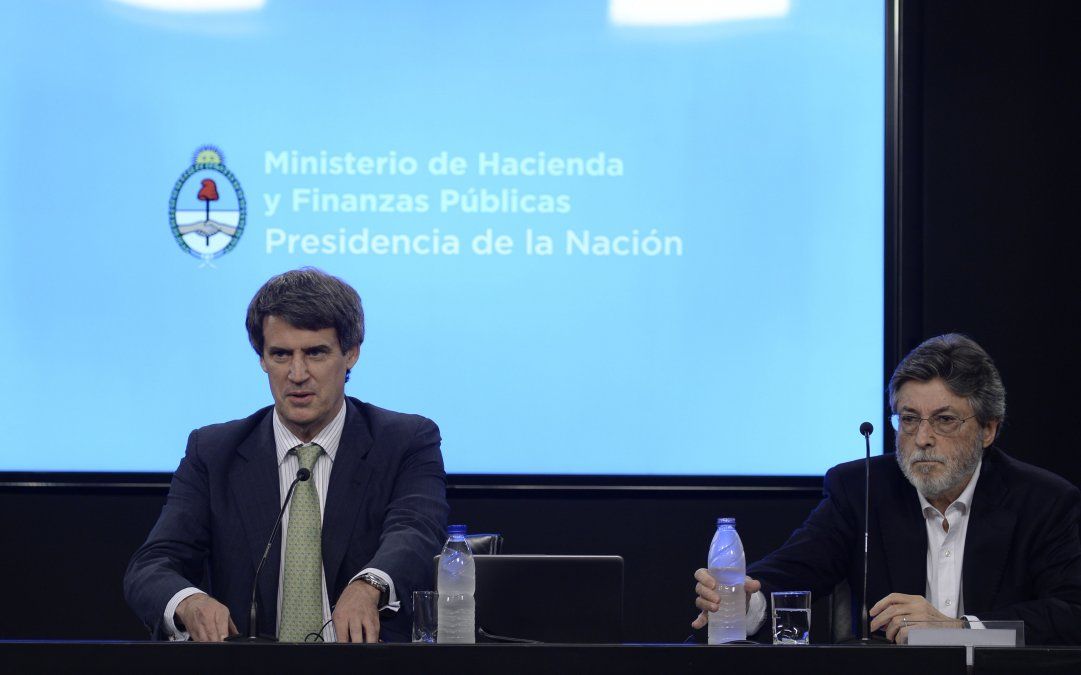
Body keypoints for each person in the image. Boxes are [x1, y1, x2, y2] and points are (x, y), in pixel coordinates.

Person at [124, 268, 448, 643]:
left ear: (351, 354)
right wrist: (190, 601)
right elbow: (152, 565)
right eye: (280, 354)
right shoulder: (214, 452)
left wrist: (369, 584)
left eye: (315, 353)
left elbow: (416, 532)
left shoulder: (405, 441)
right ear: (262, 359)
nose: (297, 374)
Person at [692, 333, 1081, 644]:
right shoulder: (860, 489)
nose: (922, 438)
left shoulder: (1044, 501)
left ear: (988, 430)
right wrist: (745, 600)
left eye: (944, 420)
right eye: (909, 419)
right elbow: (795, 568)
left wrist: (960, 630)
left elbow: (1071, 612)